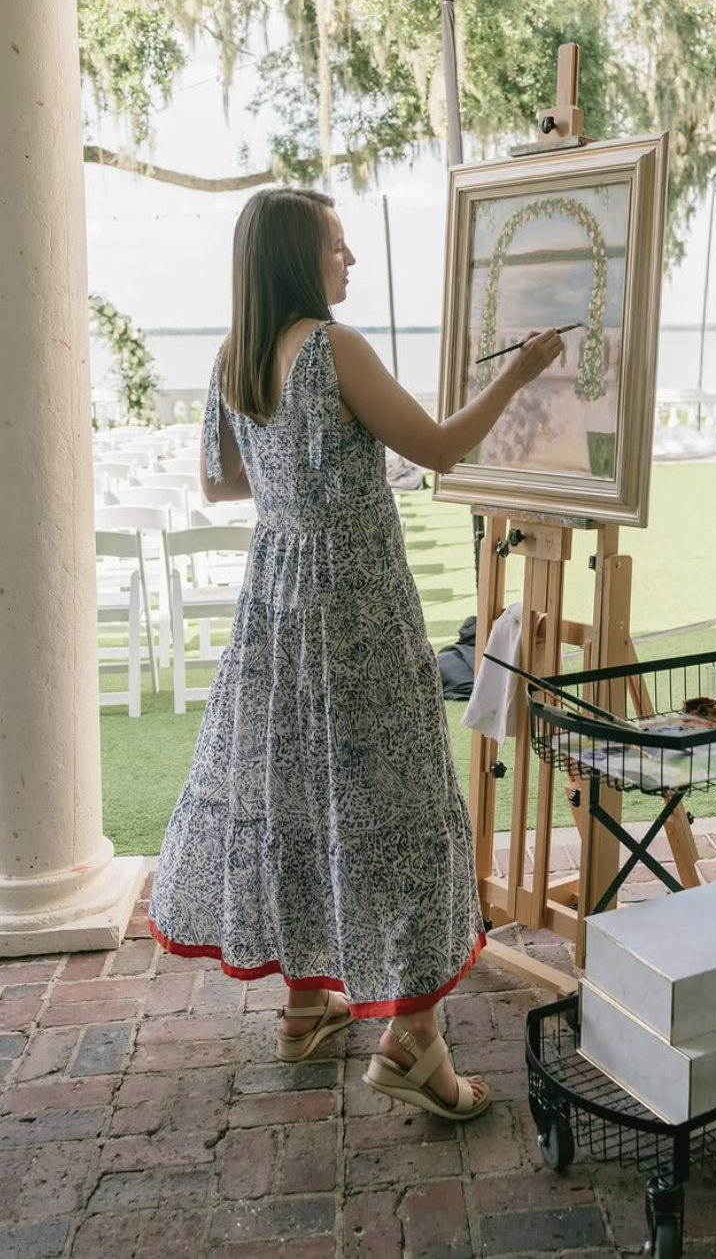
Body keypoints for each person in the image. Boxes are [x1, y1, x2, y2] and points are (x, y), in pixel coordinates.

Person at [148, 186, 562, 1122]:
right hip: (356, 609)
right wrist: (521, 372)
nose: (350, 262)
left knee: (296, 797)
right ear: (301, 259)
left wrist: (296, 481)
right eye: (337, 246)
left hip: (275, 610)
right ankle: (414, 1040)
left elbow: (218, 482)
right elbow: (444, 448)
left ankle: (305, 1008)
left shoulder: (233, 356)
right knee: (403, 806)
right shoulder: (336, 352)